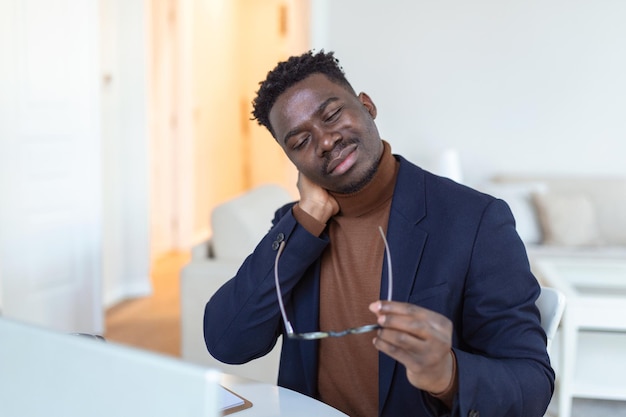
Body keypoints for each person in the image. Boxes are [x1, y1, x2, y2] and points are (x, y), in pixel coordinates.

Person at [204, 50, 554, 417]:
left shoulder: (475, 220)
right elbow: (228, 342)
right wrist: (306, 217)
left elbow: (531, 385)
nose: (324, 141)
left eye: (332, 114)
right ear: (293, 162)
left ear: (367, 105)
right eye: (300, 142)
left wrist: (448, 374)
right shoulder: (295, 228)